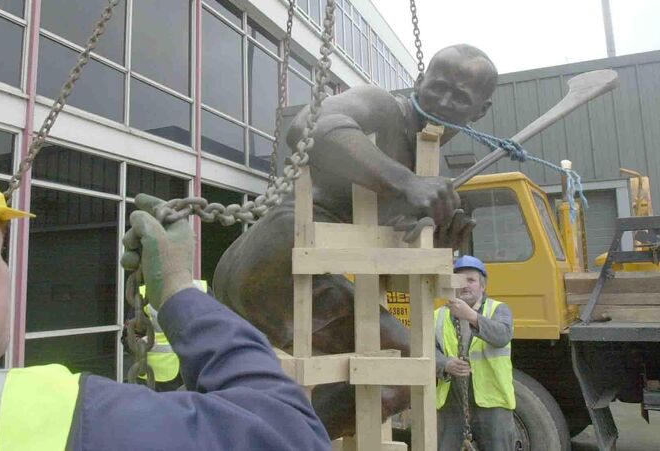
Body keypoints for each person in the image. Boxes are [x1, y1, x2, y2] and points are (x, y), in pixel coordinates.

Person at [0, 102, 330, 450]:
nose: (9, 273)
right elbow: (289, 435)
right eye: (1, 256)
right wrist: (177, 291)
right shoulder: (36, 417)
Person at [212, 44, 498, 438]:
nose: (444, 101)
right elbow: (308, 128)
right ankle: (270, 441)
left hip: (307, 278)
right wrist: (406, 182)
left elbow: (394, 262)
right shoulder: (381, 108)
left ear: (479, 111)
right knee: (404, 366)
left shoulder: (428, 166)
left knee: (407, 368)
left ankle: (270, 438)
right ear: (419, 82)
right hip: (276, 265)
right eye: (437, 86)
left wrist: (438, 244)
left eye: (460, 97)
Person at [435, 255, 515, 451]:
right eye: (460, 281)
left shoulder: (498, 309)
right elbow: (426, 350)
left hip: (492, 403)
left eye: (471, 280)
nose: (465, 286)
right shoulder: (437, 316)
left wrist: (471, 316)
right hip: (452, 405)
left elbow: (502, 335)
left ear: (482, 286)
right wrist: (445, 364)